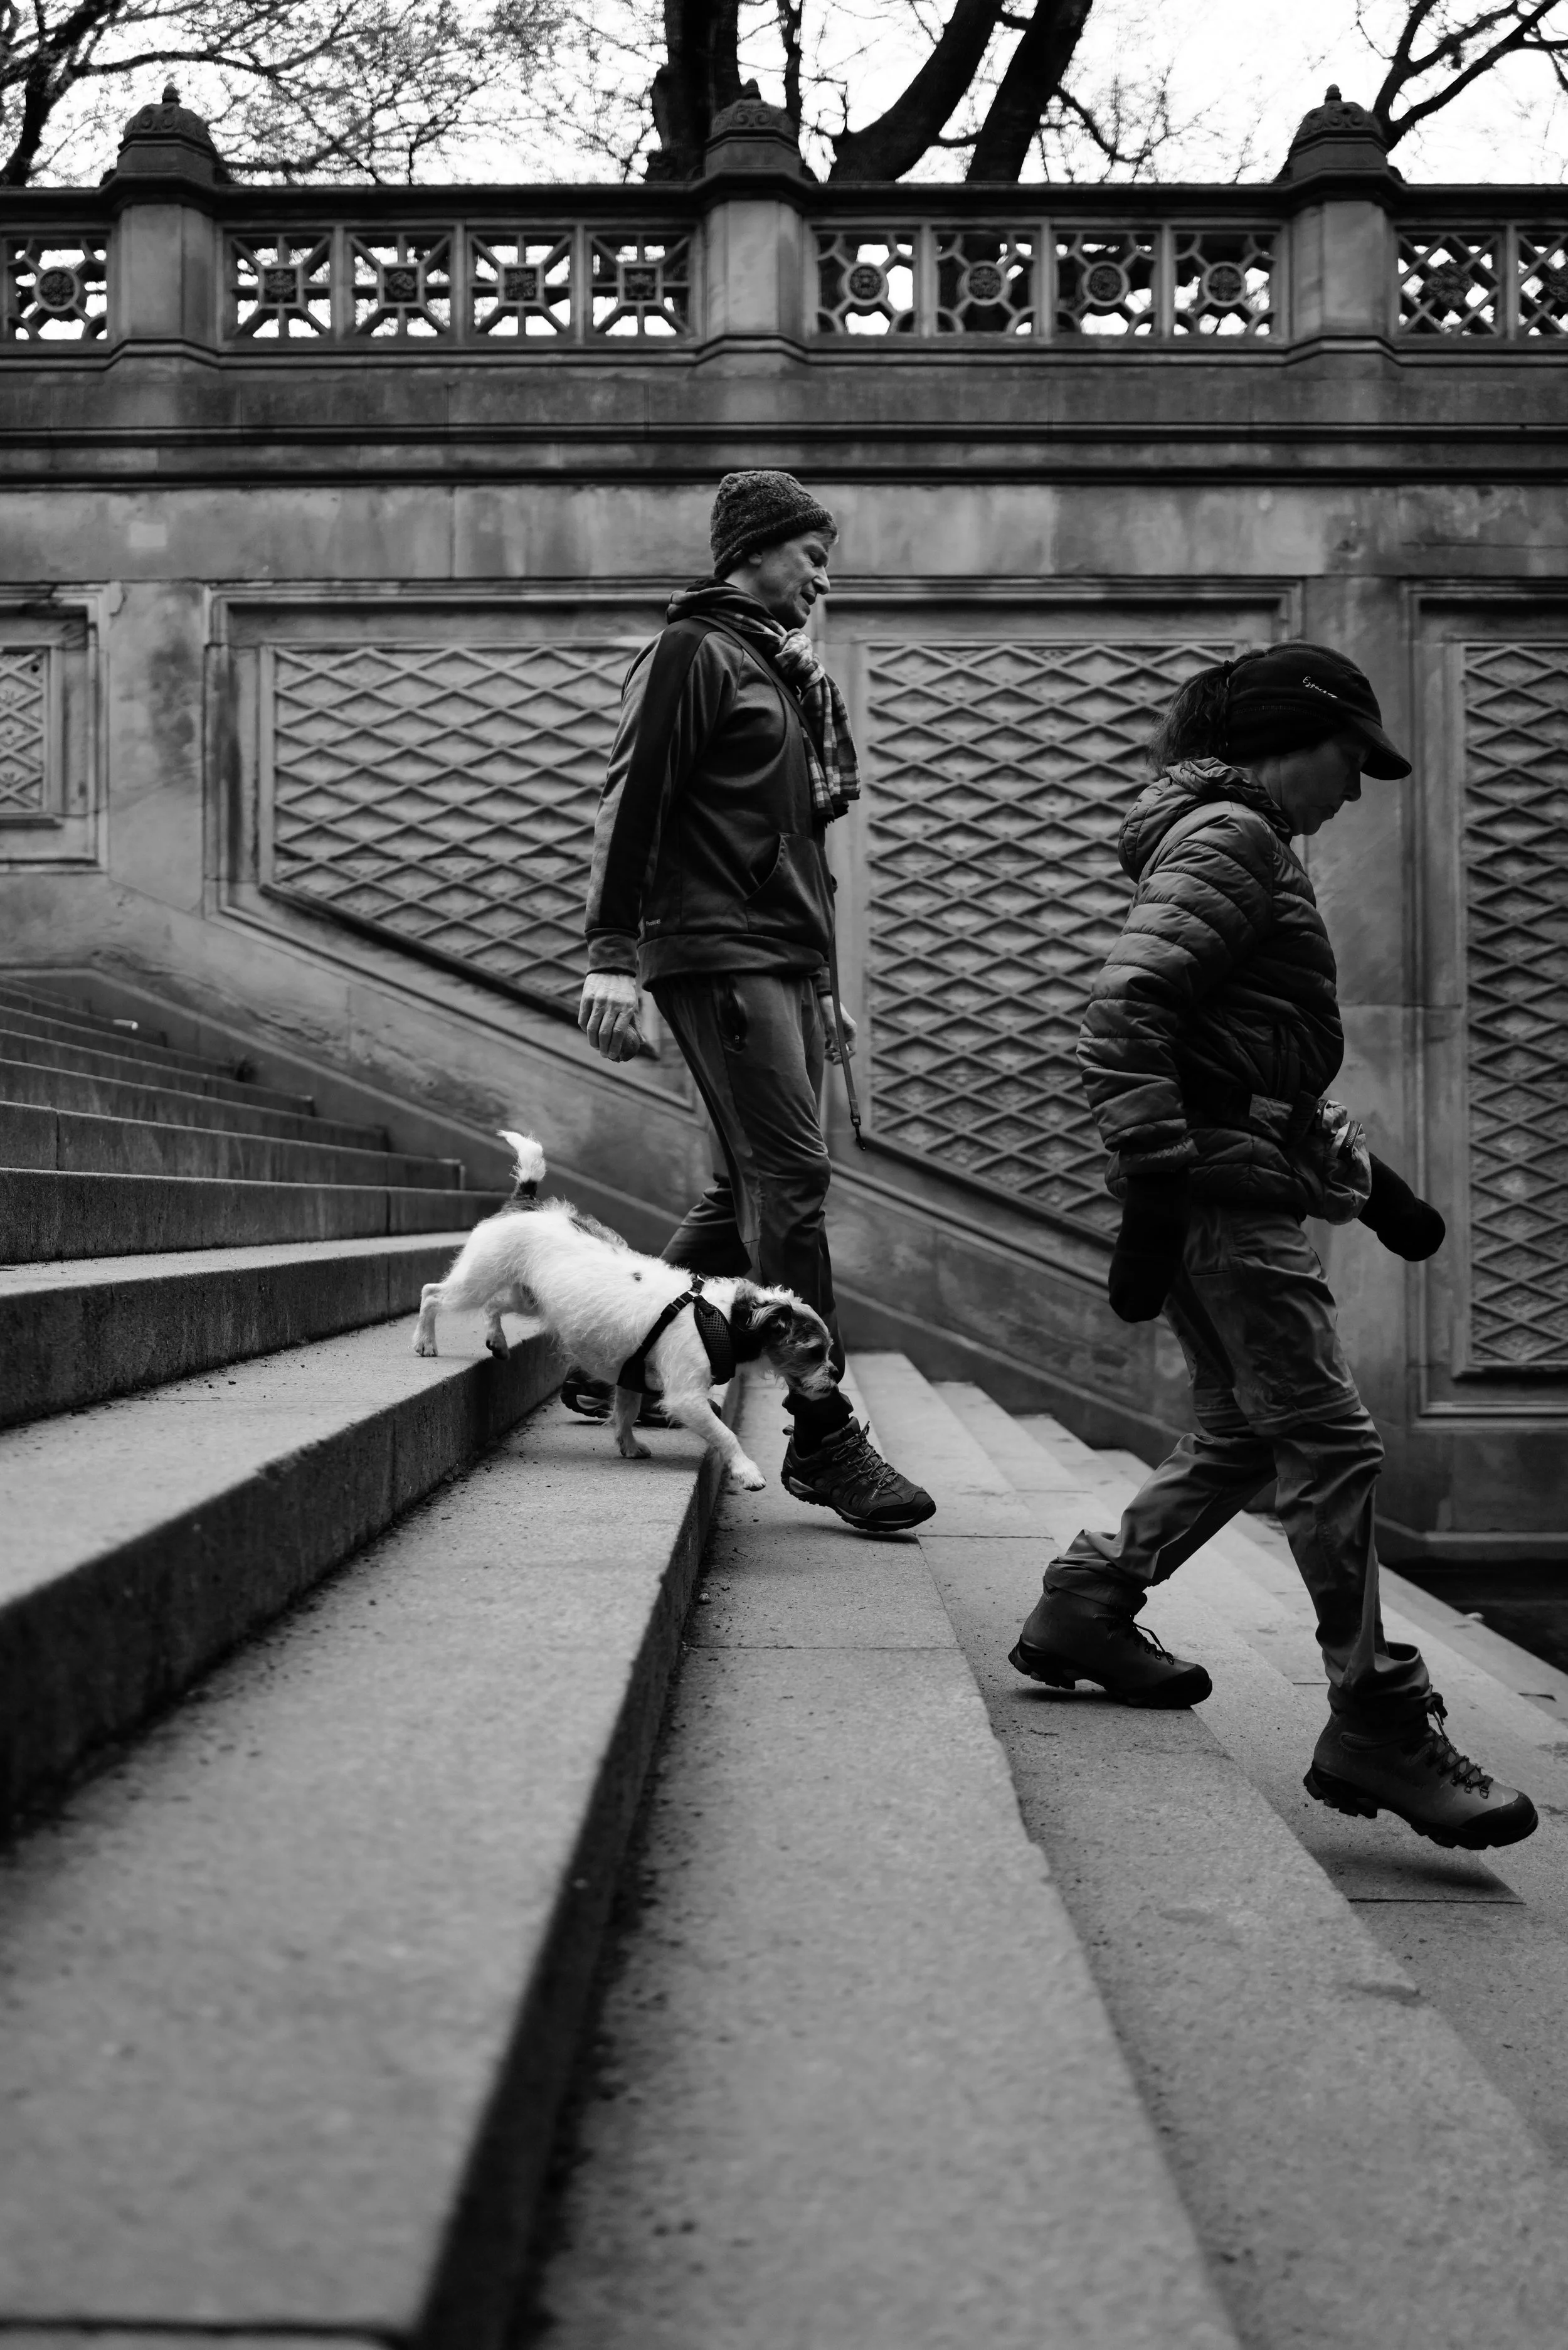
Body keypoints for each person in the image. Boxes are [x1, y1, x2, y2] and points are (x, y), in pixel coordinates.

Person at [1010, 642, 1537, 1851]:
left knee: (1248, 1429)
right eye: (1352, 759)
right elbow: (1124, 1013)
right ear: (1292, 740)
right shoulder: (1235, 839)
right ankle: (1376, 1718)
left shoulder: (1232, 840)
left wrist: (1350, 1173)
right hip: (1216, 1202)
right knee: (1333, 1442)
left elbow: (1225, 1052)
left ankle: (1089, 1603)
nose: (1357, 790)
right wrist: (1158, 1177)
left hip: (1231, 1184)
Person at [574, 469, 935, 1536]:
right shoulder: (696, 651)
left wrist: (825, 986)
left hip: (778, 953)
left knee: (746, 1190)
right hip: (716, 947)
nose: (825, 576)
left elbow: (803, 853)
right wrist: (610, 953)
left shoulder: (781, 671)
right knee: (791, 1177)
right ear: (755, 551)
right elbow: (632, 799)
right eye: (810, 555)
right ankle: (822, 1428)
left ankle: (621, 1353)